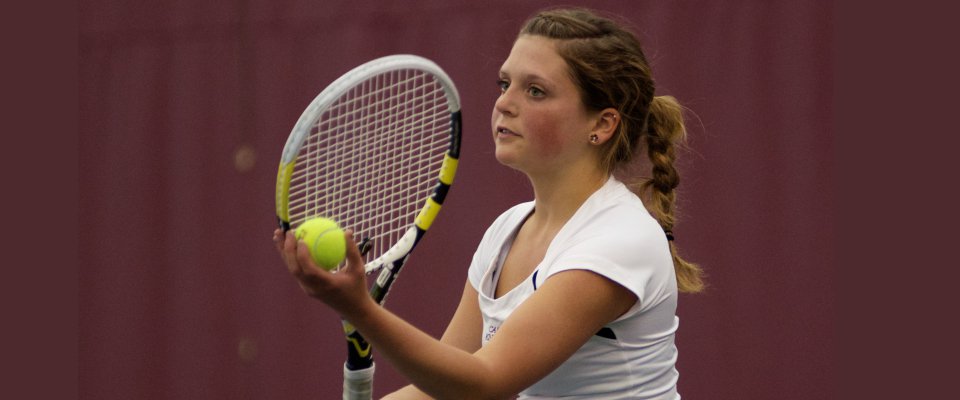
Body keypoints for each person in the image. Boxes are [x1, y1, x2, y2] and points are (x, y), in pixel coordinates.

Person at [273, 7, 704, 399]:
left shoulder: (619, 241)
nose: (504, 103)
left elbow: (485, 382)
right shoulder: (507, 231)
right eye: (505, 83)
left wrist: (360, 310)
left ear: (602, 123)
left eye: (535, 91)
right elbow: (442, 388)